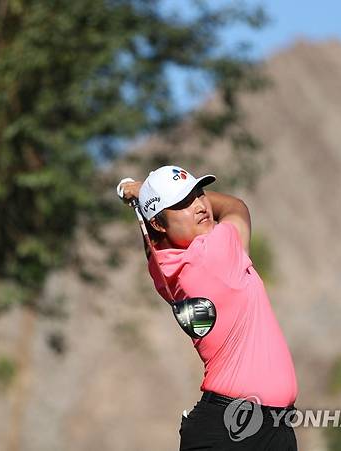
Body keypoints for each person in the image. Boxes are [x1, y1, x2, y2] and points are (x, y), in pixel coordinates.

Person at [119, 165, 298, 450]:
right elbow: (235, 206)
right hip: (234, 430)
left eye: (198, 194)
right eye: (182, 203)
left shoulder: (164, 269)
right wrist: (141, 192)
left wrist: (146, 202)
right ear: (158, 223)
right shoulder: (214, 253)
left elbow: (153, 246)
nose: (200, 206)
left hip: (253, 427)